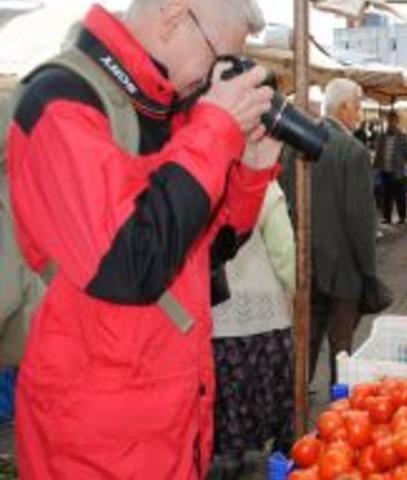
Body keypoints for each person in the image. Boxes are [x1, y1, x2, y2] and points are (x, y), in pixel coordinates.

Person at [6, 1, 282, 478]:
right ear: (176, 16)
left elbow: (201, 253)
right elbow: (130, 264)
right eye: (220, 59)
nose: (217, 78)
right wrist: (215, 130)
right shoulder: (62, 101)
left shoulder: (165, 109)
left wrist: (251, 174)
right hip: (93, 448)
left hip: (169, 427)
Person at [281, 78, 378, 385]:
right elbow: (360, 221)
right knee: (341, 348)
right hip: (343, 270)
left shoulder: (294, 144)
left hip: (303, 263)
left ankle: (293, 415)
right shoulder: (354, 151)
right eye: (358, 107)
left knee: (304, 345)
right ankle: (339, 415)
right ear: (345, 107)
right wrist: (368, 271)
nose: (359, 114)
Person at [211, 181, 295, 479]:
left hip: (214, 322)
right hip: (264, 319)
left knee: (226, 416)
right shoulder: (264, 185)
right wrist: (292, 289)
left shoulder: (202, 177)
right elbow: (284, 253)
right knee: (266, 406)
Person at [375, 111, 407, 224]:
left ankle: (402, 217)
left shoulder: (402, 137)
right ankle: (387, 217)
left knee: (400, 195)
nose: (391, 123)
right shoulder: (382, 137)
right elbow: (378, 153)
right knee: (386, 195)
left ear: (397, 122)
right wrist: (375, 166)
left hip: (398, 171)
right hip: (385, 170)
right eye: (389, 121)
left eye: (393, 121)